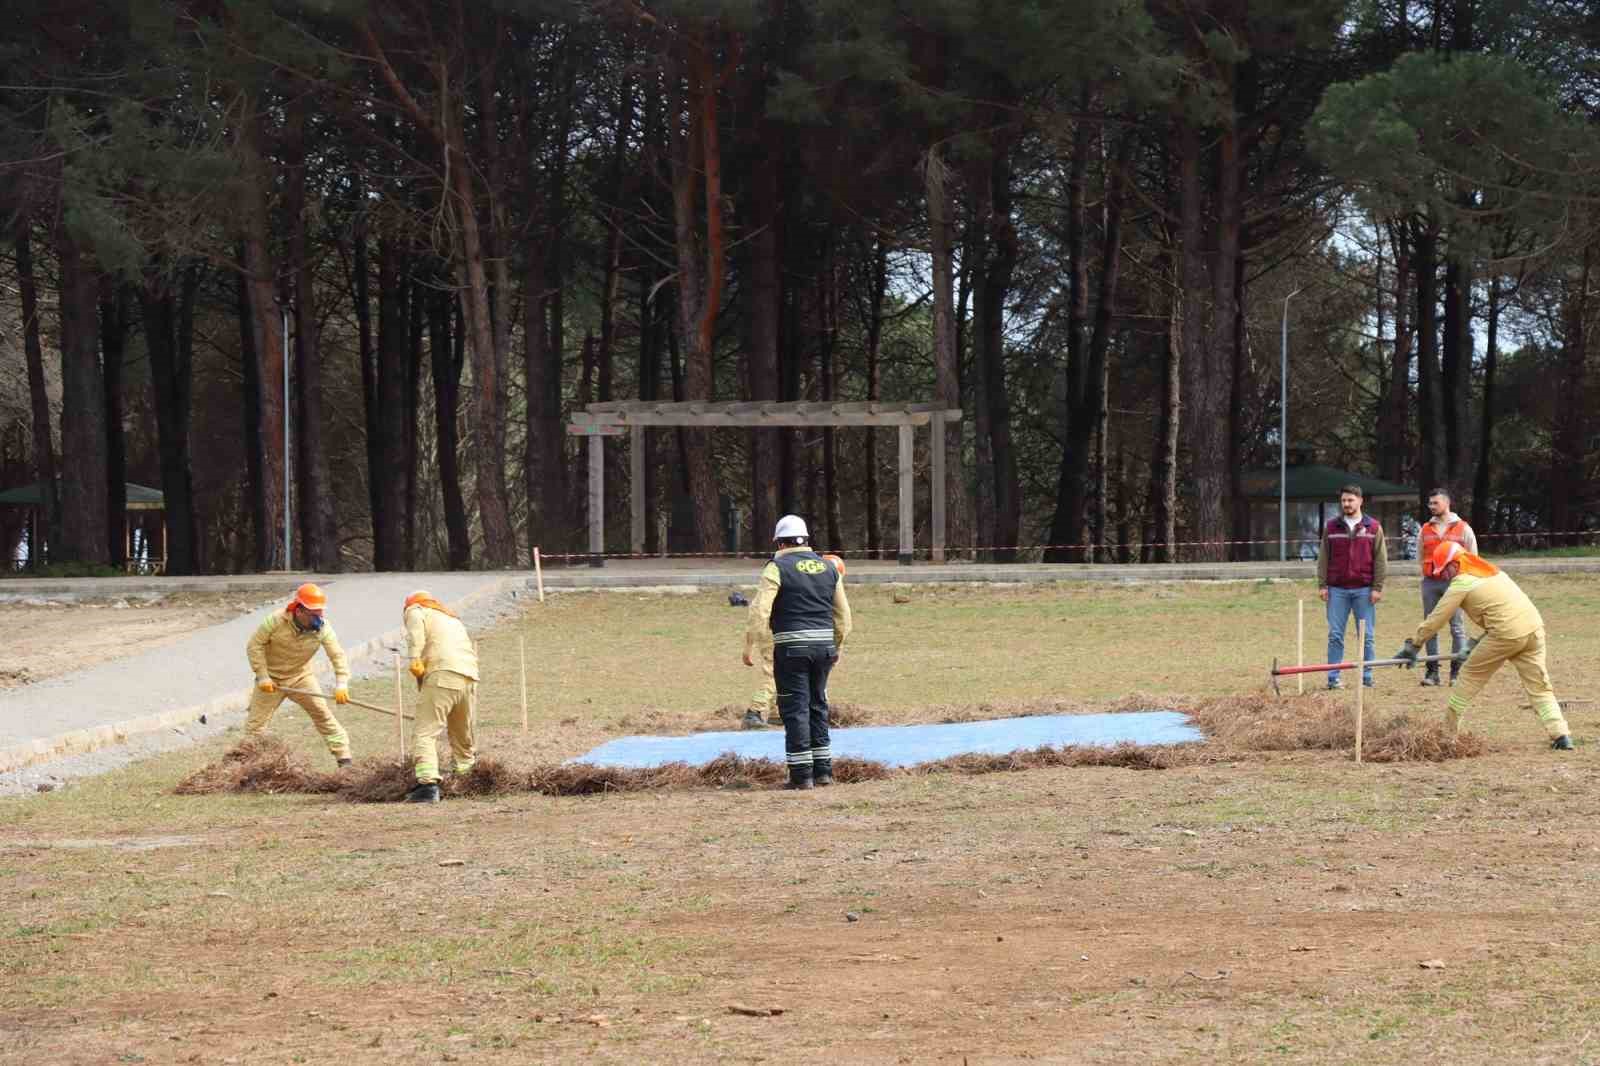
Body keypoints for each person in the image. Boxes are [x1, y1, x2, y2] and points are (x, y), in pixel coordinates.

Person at [1395, 541, 1572, 750]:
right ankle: (1561, 735)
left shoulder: (1462, 582)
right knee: (1539, 686)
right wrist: (1473, 645)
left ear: (1455, 563)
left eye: (1445, 571)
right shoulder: (1494, 573)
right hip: (1534, 629)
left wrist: (1414, 645)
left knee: (1469, 675)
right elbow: (1501, 614)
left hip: (1506, 634)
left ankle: (1448, 733)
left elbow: (1437, 619)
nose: (1444, 576)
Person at [743, 518, 852, 789]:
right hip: (824, 648)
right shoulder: (829, 566)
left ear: (780, 542)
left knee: (795, 709)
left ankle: (801, 775)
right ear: (805, 539)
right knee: (818, 706)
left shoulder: (776, 567)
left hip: (791, 649)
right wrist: (836, 646)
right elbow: (844, 617)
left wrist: (750, 644)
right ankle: (824, 772)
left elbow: (760, 611)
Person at [244, 582, 353, 767]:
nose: (319, 618)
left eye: (320, 613)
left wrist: (342, 683)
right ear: (299, 610)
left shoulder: (324, 628)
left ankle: (345, 761)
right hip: (271, 681)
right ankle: (248, 767)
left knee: (323, 714)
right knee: (255, 726)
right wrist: (262, 675)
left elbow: (337, 655)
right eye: (314, 614)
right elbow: (254, 646)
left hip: (300, 678)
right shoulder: (275, 621)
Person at [742, 553, 847, 731]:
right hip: (778, 633)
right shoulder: (819, 583)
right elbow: (842, 619)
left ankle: (778, 713)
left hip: (783, 631)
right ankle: (755, 711)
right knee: (774, 673)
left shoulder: (805, 580)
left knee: (784, 675)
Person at [401, 590, 481, 804]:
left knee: (425, 732)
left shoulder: (416, 609)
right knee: (461, 732)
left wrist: (415, 658)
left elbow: (415, 634)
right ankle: (467, 777)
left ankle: (427, 786)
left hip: (443, 674)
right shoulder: (449, 616)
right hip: (468, 676)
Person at [1316, 484, 1387, 689]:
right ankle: (1333, 677)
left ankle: (1366, 676)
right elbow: (1323, 558)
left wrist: (1377, 587)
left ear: (1360, 501)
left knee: (1367, 636)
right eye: (1344, 501)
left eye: (1350, 500)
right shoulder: (1331, 527)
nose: (1346, 504)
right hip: (1336, 590)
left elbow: (1381, 560)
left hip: (1364, 590)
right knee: (1335, 635)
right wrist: (1322, 585)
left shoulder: (1373, 527)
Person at [1417, 488, 1478, 687]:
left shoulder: (1463, 528)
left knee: (1457, 628)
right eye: (1430, 503)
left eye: (1435, 503)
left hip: (1456, 584)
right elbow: (1420, 555)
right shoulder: (1425, 528)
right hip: (1430, 583)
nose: (1431, 507)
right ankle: (1432, 672)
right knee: (1430, 627)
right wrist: (1425, 576)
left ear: (1447, 503)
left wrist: (1467, 582)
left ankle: (1456, 672)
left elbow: (1473, 557)